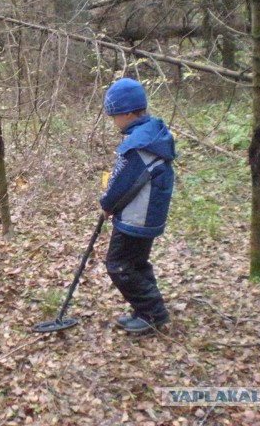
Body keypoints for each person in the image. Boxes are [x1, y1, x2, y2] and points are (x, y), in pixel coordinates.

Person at [99, 78, 175, 333]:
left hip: (136, 218)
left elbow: (122, 182)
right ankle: (145, 310)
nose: (114, 121)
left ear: (129, 112)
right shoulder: (151, 134)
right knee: (137, 264)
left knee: (119, 265)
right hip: (145, 214)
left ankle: (152, 314)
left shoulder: (138, 146)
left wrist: (107, 203)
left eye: (115, 116)